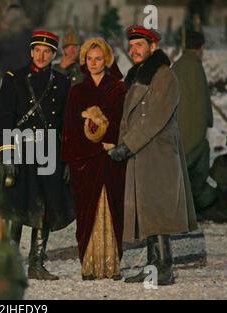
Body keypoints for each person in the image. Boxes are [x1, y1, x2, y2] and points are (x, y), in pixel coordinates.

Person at [109, 25, 198, 285]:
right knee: (147, 210)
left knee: (158, 210)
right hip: (142, 153)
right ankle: (152, 267)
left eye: (139, 45)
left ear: (153, 47)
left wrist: (128, 145)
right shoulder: (138, 76)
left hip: (158, 153)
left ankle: (165, 267)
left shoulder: (164, 76)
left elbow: (155, 116)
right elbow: (130, 117)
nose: (133, 50)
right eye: (132, 45)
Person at [0, 30, 74, 281]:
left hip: (50, 152)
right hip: (21, 150)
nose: (41, 55)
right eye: (37, 50)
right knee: (16, 207)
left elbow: (65, 124)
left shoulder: (62, 83)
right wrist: (7, 155)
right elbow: (3, 119)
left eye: (47, 52)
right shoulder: (14, 78)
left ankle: (36, 264)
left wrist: (67, 158)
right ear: (31, 52)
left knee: (45, 208)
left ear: (53, 54)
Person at [62, 38, 126, 281]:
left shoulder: (118, 89)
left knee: (113, 209)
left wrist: (109, 138)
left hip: (110, 159)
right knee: (87, 211)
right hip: (85, 162)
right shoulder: (78, 91)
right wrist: (77, 153)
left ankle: (112, 264)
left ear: (107, 59)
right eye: (89, 58)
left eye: (98, 58)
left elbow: (123, 122)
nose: (93, 63)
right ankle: (88, 265)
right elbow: (69, 128)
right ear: (84, 60)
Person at [172, 30, 218, 219]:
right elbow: (202, 98)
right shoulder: (195, 66)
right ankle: (192, 210)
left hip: (178, 129)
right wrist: (208, 121)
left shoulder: (177, 65)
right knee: (196, 171)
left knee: (182, 171)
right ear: (200, 48)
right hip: (195, 132)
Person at [0, 3, 33, 76]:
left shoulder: (28, 33)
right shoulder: (1, 35)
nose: (14, 16)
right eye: (11, 13)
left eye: (16, 13)